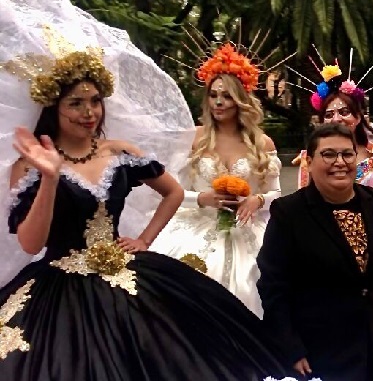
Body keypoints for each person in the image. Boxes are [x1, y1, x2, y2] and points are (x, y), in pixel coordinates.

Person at [0, 33, 285, 379]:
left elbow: (174, 193)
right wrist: (49, 177)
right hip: (62, 287)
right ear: (53, 107)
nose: (89, 112)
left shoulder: (119, 152)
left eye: (95, 101)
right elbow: (31, 244)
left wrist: (145, 240)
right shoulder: (29, 166)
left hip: (130, 271)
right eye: (75, 103)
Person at [258, 123, 373, 381]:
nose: (340, 162)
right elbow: (273, 287)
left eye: (347, 154)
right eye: (328, 154)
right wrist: (290, 348)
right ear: (309, 162)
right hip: (322, 351)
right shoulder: (289, 213)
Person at [149, 43, 281, 317]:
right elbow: (171, 191)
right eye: (214, 95)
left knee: (254, 282)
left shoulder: (262, 143)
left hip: (248, 228)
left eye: (227, 96)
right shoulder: (194, 139)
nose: (219, 102)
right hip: (197, 225)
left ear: (241, 100)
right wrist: (201, 198)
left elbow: (276, 193)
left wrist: (256, 200)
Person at [296, 60, 373, 191]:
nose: (336, 119)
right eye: (328, 115)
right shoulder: (309, 158)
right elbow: (303, 201)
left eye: (344, 112)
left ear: (358, 117)